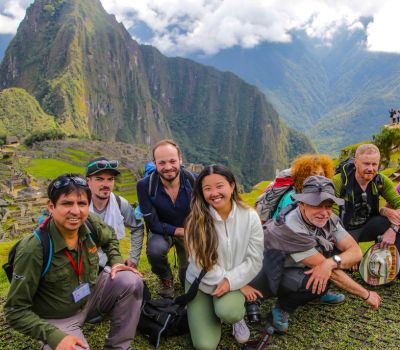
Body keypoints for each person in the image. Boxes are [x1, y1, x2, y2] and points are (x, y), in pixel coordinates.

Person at [5, 174, 143, 350]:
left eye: (82, 204)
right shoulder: (34, 249)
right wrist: (53, 336)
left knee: (132, 281)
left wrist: (116, 261)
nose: (76, 211)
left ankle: (119, 346)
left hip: (90, 299)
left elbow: (110, 239)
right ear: (51, 206)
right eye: (67, 203)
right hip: (58, 319)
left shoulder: (90, 223)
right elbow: (15, 310)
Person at [250, 176, 381, 333]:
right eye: (316, 205)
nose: (324, 213)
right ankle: (282, 308)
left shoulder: (330, 218)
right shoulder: (291, 228)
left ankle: (320, 293)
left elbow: (355, 251)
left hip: (301, 262)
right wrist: (366, 294)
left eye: (327, 206)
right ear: (302, 204)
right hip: (271, 273)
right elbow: (331, 272)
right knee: (319, 279)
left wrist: (330, 263)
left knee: (332, 261)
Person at [185, 164, 264, 349]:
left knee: (230, 312)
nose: (214, 193)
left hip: (232, 281)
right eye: (207, 188)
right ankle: (209, 309)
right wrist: (234, 282)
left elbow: (255, 259)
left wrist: (232, 281)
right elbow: (198, 264)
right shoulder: (195, 221)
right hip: (201, 282)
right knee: (204, 345)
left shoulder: (250, 216)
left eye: (219, 186)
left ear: (232, 186)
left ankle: (234, 318)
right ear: (201, 192)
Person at [137, 139, 196, 298]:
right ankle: (165, 279)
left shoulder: (193, 181)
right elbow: (152, 222)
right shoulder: (145, 186)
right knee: (155, 251)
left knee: (188, 281)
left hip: (190, 230)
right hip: (162, 230)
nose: (168, 167)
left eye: (172, 161)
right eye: (162, 163)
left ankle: (184, 275)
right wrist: (178, 231)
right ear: (155, 163)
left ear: (180, 160)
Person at [333, 144, 400, 252]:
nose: (370, 169)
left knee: (393, 226)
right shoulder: (339, 181)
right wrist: (349, 245)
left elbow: (398, 202)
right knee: (343, 264)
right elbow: (332, 216)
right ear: (356, 163)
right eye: (366, 164)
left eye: (374, 164)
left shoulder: (381, 181)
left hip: (369, 225)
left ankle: (387, 264)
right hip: (343, 228)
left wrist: (393, 229)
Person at [86, 157, 144, 268]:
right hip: (81, 263)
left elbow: (137, 227)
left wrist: (133, 258)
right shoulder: (78, 206)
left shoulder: (120, 204)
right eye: (99, 179)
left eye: (110, 179)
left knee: (134, 282)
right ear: (88, 181)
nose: (106, 184)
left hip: (110, 261)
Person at [273, 154, 334, 218]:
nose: (318, 178)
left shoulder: (319, 195)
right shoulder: (291, 197)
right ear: (304, 176)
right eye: (313, 174)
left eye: (321, 174)